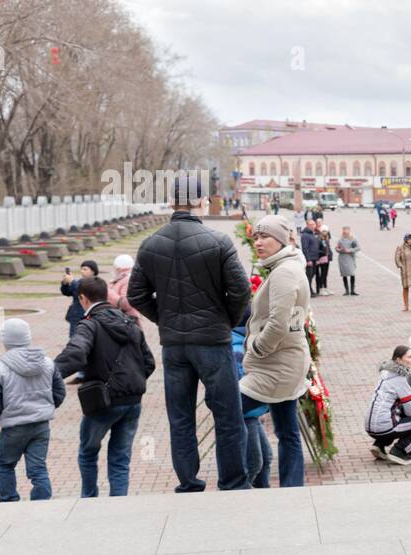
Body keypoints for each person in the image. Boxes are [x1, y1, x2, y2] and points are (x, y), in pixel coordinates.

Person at [128, 174, 250, 493]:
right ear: (201, 201)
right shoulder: (219, 242)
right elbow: (240, 293)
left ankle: (189, 481)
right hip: (213, 342)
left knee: (180, 417)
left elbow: (137, 296)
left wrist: (166, 320)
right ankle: (233, 481)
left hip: (175, 346)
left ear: (171, 202)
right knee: (227, 415)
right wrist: (225, 321)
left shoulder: (150, 243)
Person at [54, 276, 156, 497]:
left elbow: (76, 354)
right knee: (120, 457)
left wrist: (50, 373)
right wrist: (132, 382)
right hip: (133, 401)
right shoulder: (130, 322)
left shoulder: (89, 324)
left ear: (82, 298)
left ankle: (89, 499)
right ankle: (118, 502)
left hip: (103, 401)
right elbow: (149, 363)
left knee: (88, 452)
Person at [241, 215, 310, 487]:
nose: (258, 242)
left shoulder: (284, 271)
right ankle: (291, 488)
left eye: (265, 237)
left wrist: (257, 348)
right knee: (287, 430)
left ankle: (248, 478)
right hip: (285, 360)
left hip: (276, 363)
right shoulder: (286, 267)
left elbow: (278, 322)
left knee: (231, 411)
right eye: (256, 237)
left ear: (281, 240)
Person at [0, 318, 65, 502]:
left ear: (4, 340)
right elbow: (59, 392)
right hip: (41, 425)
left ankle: (9, 502)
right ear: (28, 337)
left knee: (4, 465)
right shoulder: (48, 363)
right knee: (38, 469)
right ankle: (41, 504)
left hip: (13, 427)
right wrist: (45, 407)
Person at [232, 315, 272, 488]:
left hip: (252, 412)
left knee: (266, 458)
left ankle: (264, 495)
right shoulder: (238, 348)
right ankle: (241, 499)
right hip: (245, 412)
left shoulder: (244, 343)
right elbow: (244, 381)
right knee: (253, 464)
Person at [60, 260, 99, 338]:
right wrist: (65, 283)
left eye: (85, 269)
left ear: (93, 271)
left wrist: (72, 281)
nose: (82, 271)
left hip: (87, 315)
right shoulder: (79, 281)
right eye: (81, 269)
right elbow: (67, 292)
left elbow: (81, 292)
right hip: (75, 315)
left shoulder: (96, 283)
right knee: (74, 338)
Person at [106, 254, 141, 323]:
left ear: (119, 268)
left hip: (127, 321)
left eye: (115, 267)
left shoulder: (128, 280)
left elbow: (126, 304)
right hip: (119, 318)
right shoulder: (120, 278)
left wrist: (108, 291)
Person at [299, 218, 323, 297]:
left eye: (314, 224)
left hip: (315, 258)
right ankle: (309, 292)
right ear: (307, 225)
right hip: (310, 259)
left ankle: (310, 291)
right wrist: (308, 260)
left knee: (312, 275)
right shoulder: (305, 235)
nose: (313, 226)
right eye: (311, 224)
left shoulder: (313, 233)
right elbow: (305, 248)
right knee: (308, 276)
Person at [336, 226, 361, 296]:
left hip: (350, 257)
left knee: (352, 273)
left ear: (349, 231)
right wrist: (338, 249)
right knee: (344, 274)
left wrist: (350, 250)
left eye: (346, 230)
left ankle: (352, 290)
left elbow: (358, 247)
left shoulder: (353, 239)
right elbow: (337, 247)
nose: (345, 231)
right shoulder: (341, 239)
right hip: (342, 258)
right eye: (344, 230)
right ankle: (346, 290)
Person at [316, 225, 333, 295]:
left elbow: (328, 248)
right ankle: (321, 289)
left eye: (326, 231)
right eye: (323, 231)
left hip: (326, 259)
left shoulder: (326, 239)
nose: (325, 232)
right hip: (321, 258)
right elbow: (317, 249)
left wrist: (330, 255)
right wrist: (324, 253)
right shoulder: (319, 239)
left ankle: (325, 287)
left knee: (325, 274)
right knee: (322, 274)